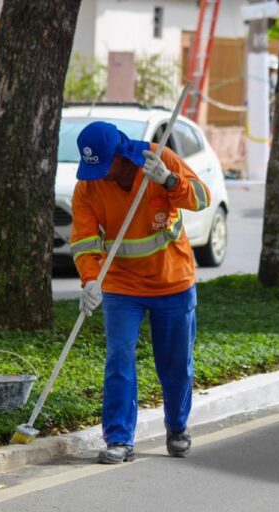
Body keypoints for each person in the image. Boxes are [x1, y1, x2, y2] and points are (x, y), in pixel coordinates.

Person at [70, 121, 211, 464]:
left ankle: (177, 427)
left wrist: (170, 180)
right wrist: (90, 280)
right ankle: (119, 438)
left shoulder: (158, 159)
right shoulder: (87, 188)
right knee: (119, 360)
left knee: (175, 363)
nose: (100, 175)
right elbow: (85, 241)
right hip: (121, 286)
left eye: (105, 167)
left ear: (120, 155)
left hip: (172, 282)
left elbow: (202, 198)